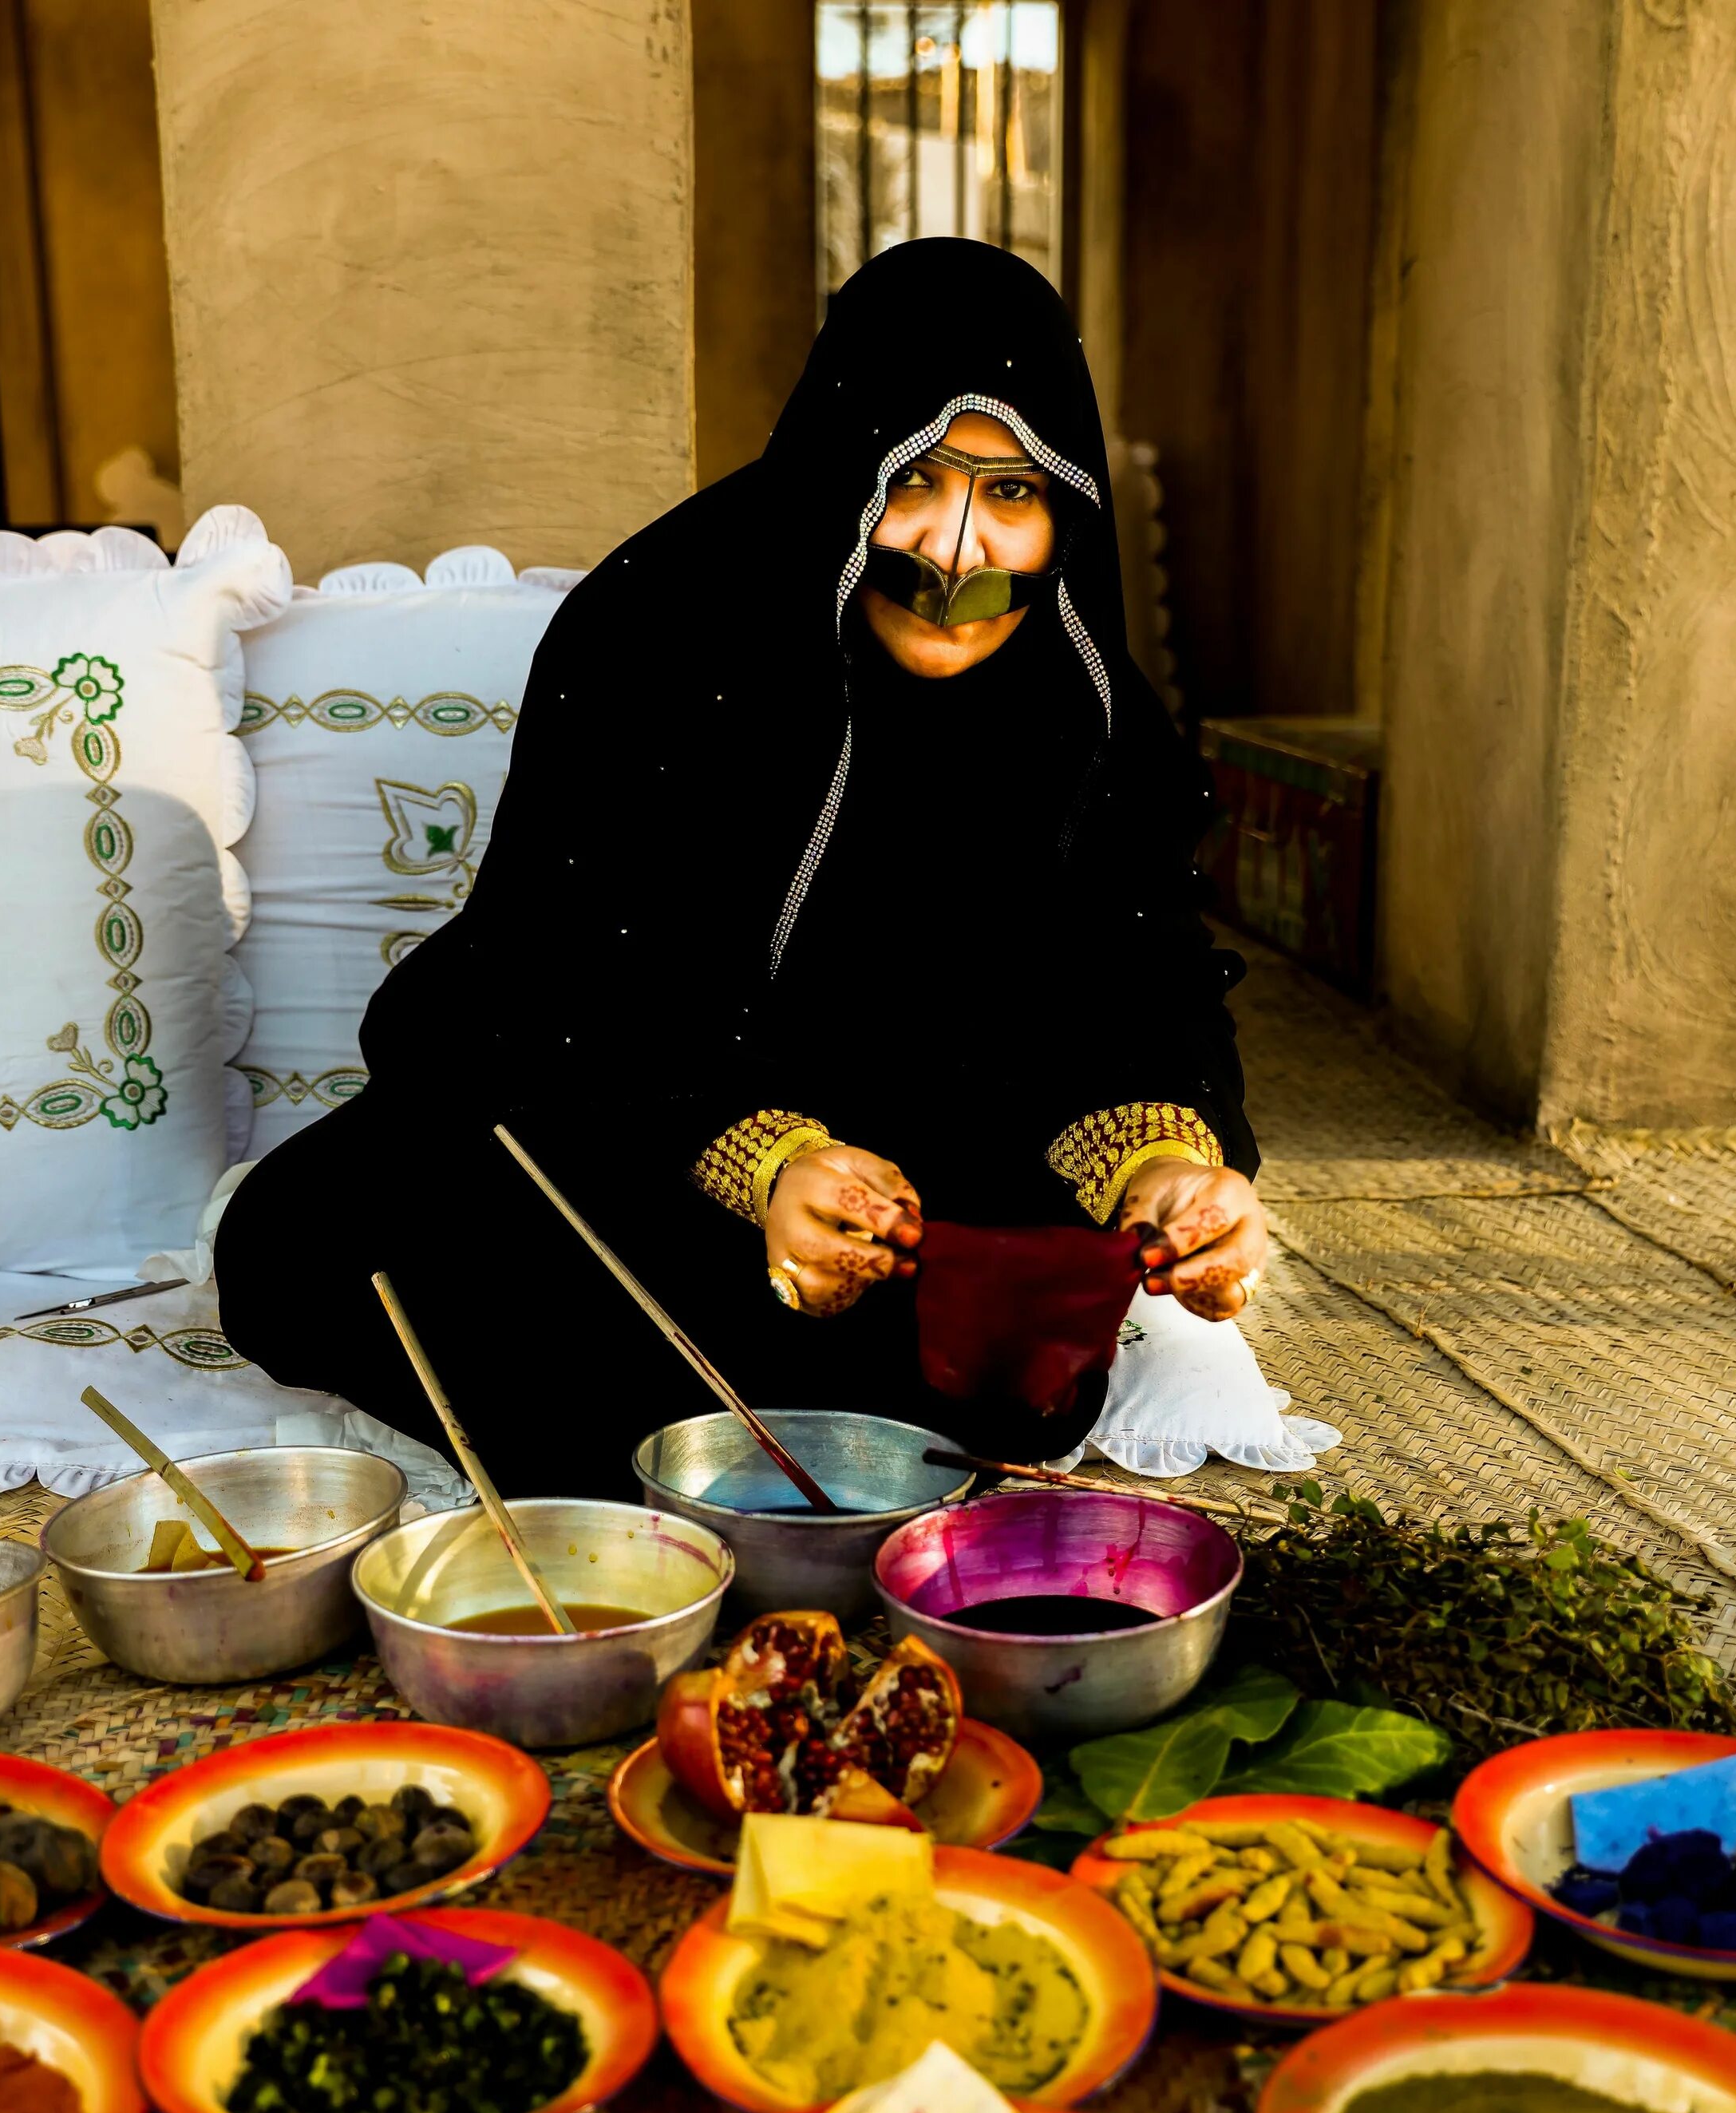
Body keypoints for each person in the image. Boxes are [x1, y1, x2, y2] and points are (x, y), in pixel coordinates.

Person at [216, 239, 1267, 1496]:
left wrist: (1163, 1168)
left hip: (926, 1177)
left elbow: (1135, 975)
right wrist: (761, 1158)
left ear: (1066, 517)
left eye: (1012, 494)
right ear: (841, 461)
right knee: (303, 1234)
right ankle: (788, 1409)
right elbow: (544, 970)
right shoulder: (660, 628)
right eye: (917, 480)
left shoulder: (1083, 703)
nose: (950, 551)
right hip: (636, 1123)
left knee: (1001, 1338)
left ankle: (788, 1404)